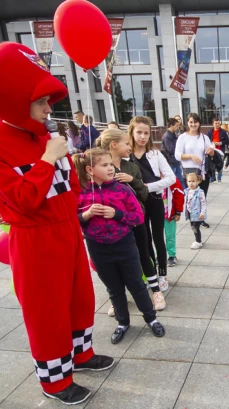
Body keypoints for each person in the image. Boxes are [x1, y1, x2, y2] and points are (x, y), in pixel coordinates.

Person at [0, 42, 114, 405]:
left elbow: (72, 187)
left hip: (68, 229)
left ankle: (81, 355)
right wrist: (47, 160)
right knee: (46, 311)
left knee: (80, 298)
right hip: (35, 241)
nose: (49, 107)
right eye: (40, 100)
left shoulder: (48, 138)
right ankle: (55, 380)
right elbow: (24, 200)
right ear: (13, 98)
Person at [74, 148, 166, 344]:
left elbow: (138, 216)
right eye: (105, 165)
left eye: (111, 164)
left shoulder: (121, 189)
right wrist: (86, 215)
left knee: (137, 285)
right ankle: (122, 322)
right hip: (98, 248)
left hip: (125, 245)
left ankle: (151, 318)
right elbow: (70, 221)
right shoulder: (80, 194)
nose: (111, 168)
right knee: (114, 288)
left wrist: (117, 214)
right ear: (90, 169)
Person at [98, 128, 165, 311]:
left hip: (134, 220)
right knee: (116, 260)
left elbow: (143, 195)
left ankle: (156, 291)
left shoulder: (132, 167)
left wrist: (133, 181)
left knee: (144, 253)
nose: (130, 147)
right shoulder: (100, 166)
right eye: (126, 143)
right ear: (114, 145)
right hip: (111, 224)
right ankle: (117, 297)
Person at [130, 116, 176, 293]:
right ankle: (149, 274)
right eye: (139, 132)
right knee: (144, 240)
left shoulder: (155, 154)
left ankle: (162, 274)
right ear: (132, 133)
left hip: (155, 201)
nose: (143, 136)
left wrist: (146, 187)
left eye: (146, 133)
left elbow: (171, 178)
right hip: (135, 204)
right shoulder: (126, 156)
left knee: (158, 238)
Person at [164, 166, 184, 267]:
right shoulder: (150, 178)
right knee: (155, 236)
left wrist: (178, 211)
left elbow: (179, 195)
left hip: (169, 214)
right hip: (155, 214)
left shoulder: (173, 179)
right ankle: (157, 254)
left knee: (170, 236)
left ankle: (172, 255)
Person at [184, 172, 208, 249]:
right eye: (189, 181)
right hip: (190, 214)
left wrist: (202, 213)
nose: (191, 183)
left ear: (197, 181)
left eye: (193, 181)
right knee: (193, 227)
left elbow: (204, 203)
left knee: (195, 227)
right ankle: (198, 240)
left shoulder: (200, 192)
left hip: (197, 214)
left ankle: (198, 242)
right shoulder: (187, 191)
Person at [162, 118, 185, 188]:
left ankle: (184, 193)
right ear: (171, 126)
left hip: (176, 161)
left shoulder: (173, 134)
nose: (178, 127)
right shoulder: (167, 136)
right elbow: (170, 149)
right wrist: (180, 150)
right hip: (171, 162)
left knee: (180, 179)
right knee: (172, 181)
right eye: (176, 126)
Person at [206, 116, 229, 183]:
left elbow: (227, 141)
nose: (217, 125)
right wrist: (211, 143)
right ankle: (212, 177)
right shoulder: (210, 132)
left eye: (218, 123)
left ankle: (219, 177)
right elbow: (206, 141)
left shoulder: (223, 132)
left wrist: (221, 143)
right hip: (212, 150)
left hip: (220, 150)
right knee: (211, 164)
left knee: (220, 163)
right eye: (216, 123)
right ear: (213, 124)